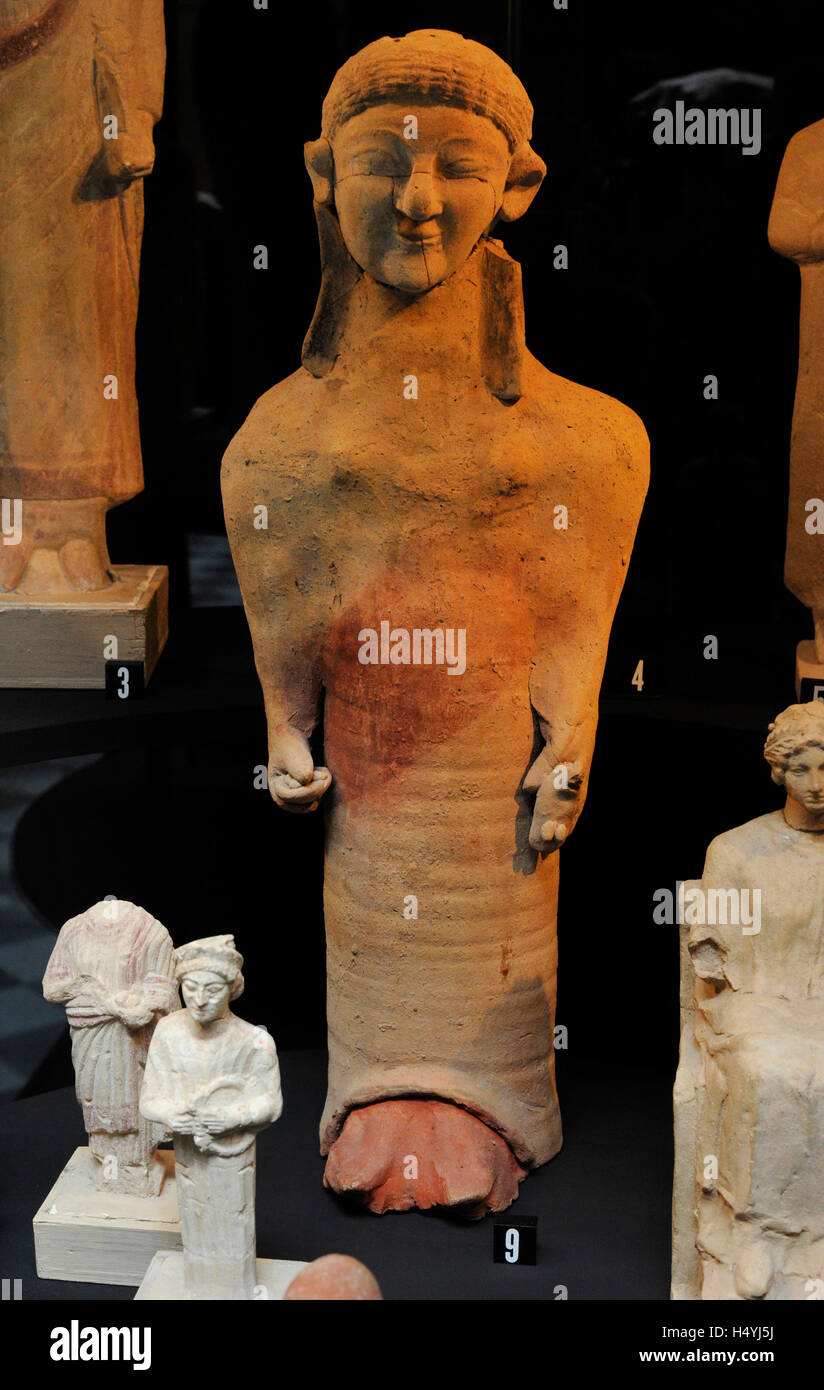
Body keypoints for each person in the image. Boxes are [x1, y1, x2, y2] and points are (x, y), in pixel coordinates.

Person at [688, 702, 824, 1298]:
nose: (817, 785)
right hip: (756, 1002)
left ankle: (812, 1238)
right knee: (771, 1071)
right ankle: (752, 1234)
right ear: (779, 772)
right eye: (802, 770)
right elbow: (711, 963)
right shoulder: (736, 850)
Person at [140, 935, 282, 1300]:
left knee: (233, 1223)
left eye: (213, 989)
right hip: (190, 1157)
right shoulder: (169, 1033)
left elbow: (270, 1103)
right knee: (197, 1223)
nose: (200, 1000)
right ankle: (203, 1290)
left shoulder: (254, 1041)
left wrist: (232, 1117)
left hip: (231, 1158)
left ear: (232, 989)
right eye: (190, 988)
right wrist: (172, 1114)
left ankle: (234, 1290)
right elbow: (149, 1100)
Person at [42, 898, 178, 1196]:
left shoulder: (149, 931)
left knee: (134, 1093)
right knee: (96, 1097)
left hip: (133, 1036)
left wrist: (142, 1005)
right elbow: (52, 986)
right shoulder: (74, 930)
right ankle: (111, 1166)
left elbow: (164, 984)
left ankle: (137, 1165)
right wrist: (92, 992)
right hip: (90, 1032)